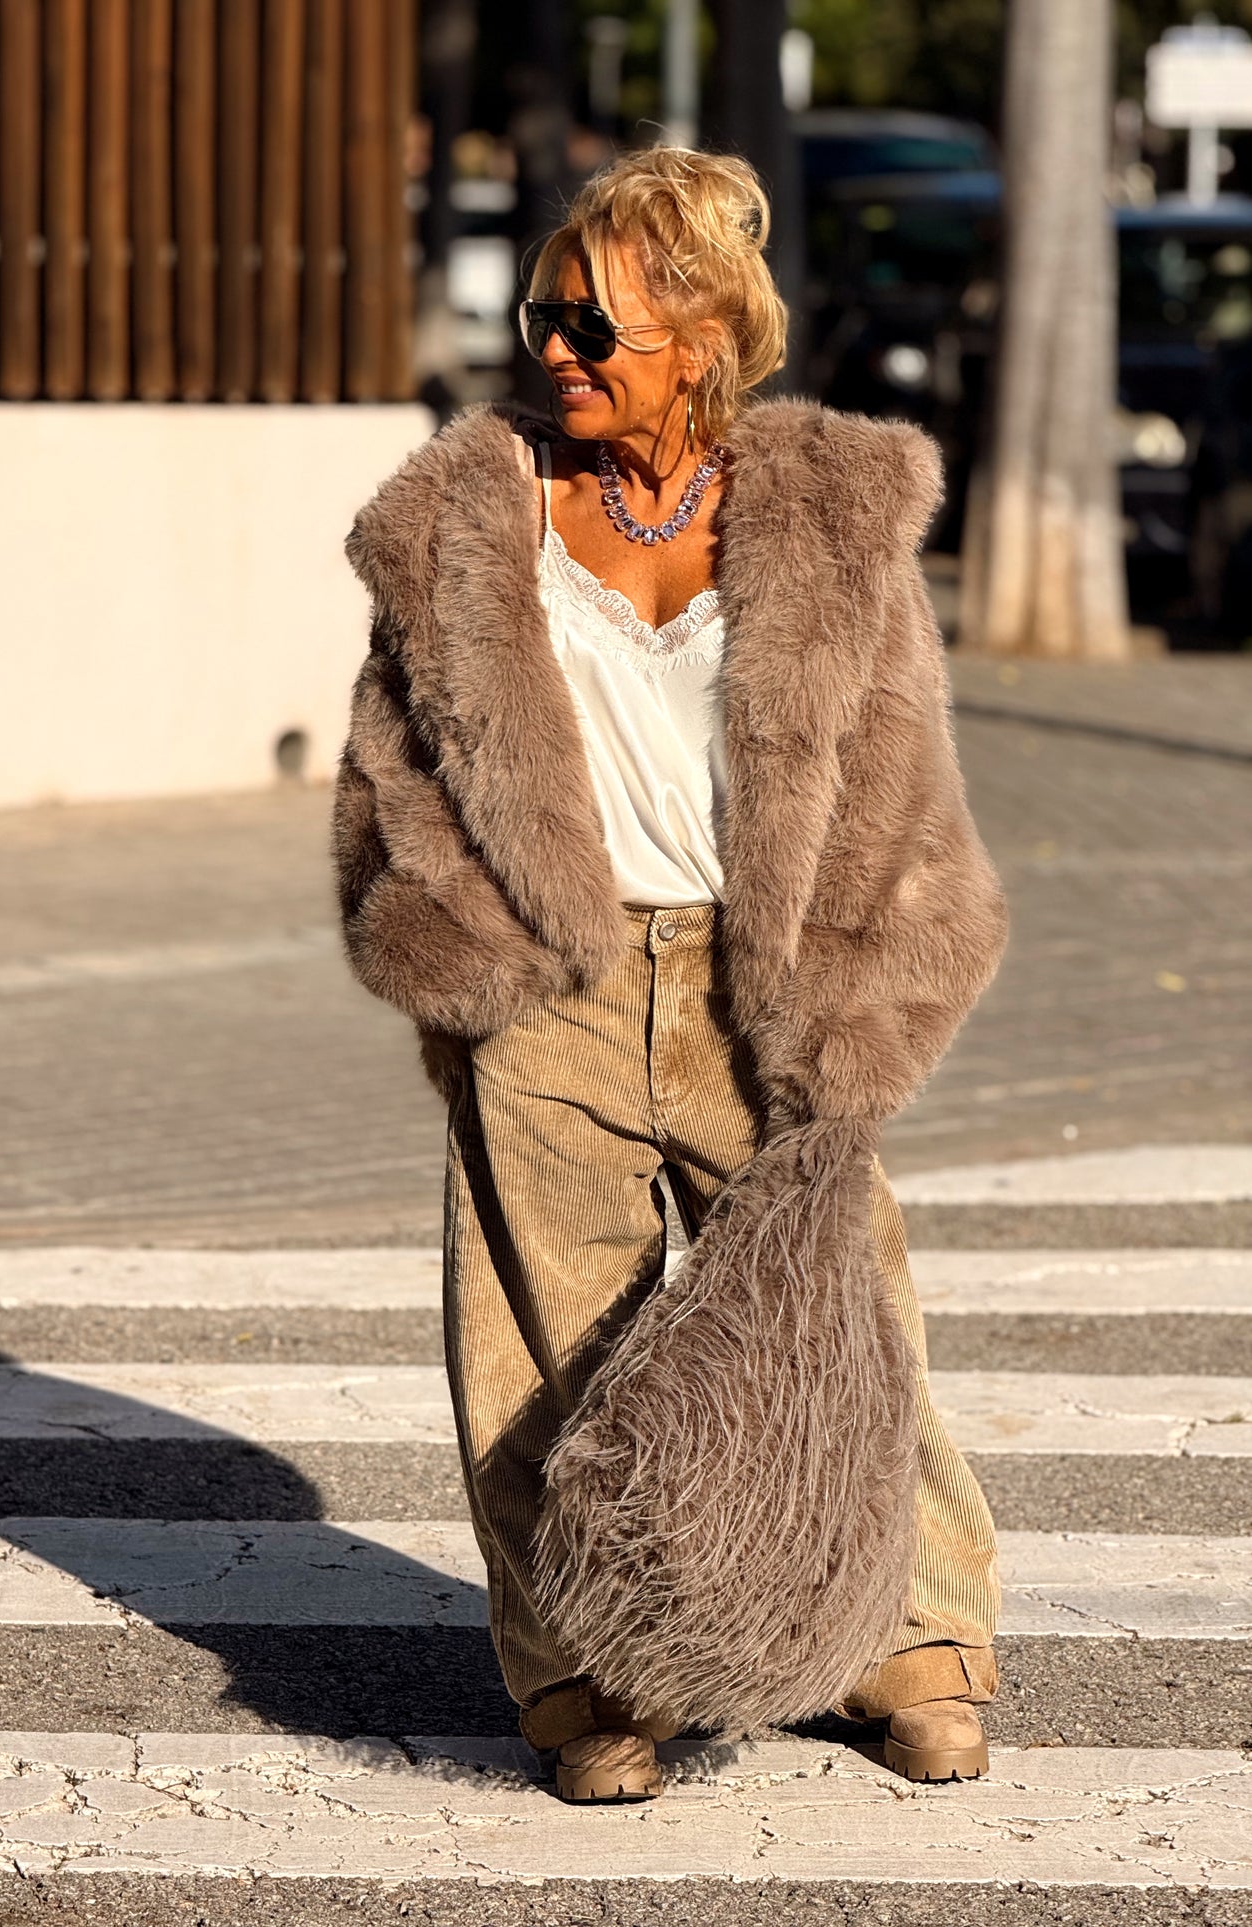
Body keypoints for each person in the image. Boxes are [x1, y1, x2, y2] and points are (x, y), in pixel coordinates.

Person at [332, 147, 1007, 1806]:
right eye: (543, 317)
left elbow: (898, 777)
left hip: (754, 986)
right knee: (538, 1353)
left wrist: (864, 1010)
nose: (551, 348)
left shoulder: (828, 521)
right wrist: (456, 952)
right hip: (547, 985)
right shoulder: (465, 520)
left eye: (592, 326)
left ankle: (912, 1649)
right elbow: (388, 769)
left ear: (699, 339)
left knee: (844, 1321)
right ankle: (587, 1684)